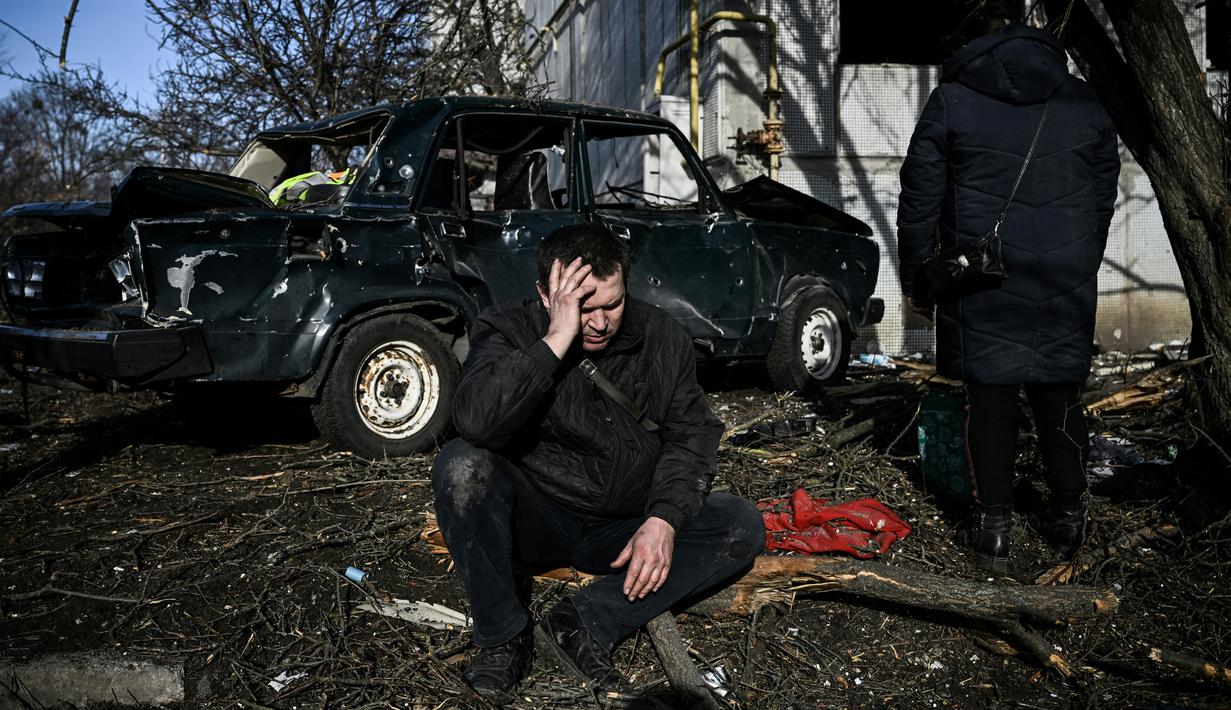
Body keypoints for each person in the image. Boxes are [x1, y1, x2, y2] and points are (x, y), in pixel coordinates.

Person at [431, 223, 765, 704]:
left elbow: (692, 434)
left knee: (740, 524)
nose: (601, 321)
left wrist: (664, 518)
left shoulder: (661, 336)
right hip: (538, 518)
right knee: (462, 466)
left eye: (612, 303)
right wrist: (556, 340)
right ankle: (503, 637)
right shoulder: (505, 328)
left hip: (623, 528)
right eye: (582, 307)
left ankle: (583, 621)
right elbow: (477, 424)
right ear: (545, 296)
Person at [896, 9, 1120, 572]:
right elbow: (1102, 191)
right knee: (1058, 392)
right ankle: (1068, 518)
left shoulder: (952, 98)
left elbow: (918, 197)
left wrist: (920, 275)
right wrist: (1083, 259)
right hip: (1064, 272)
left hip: (981, 275)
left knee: (990, 397)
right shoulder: (1081, 100)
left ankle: (994, 529)